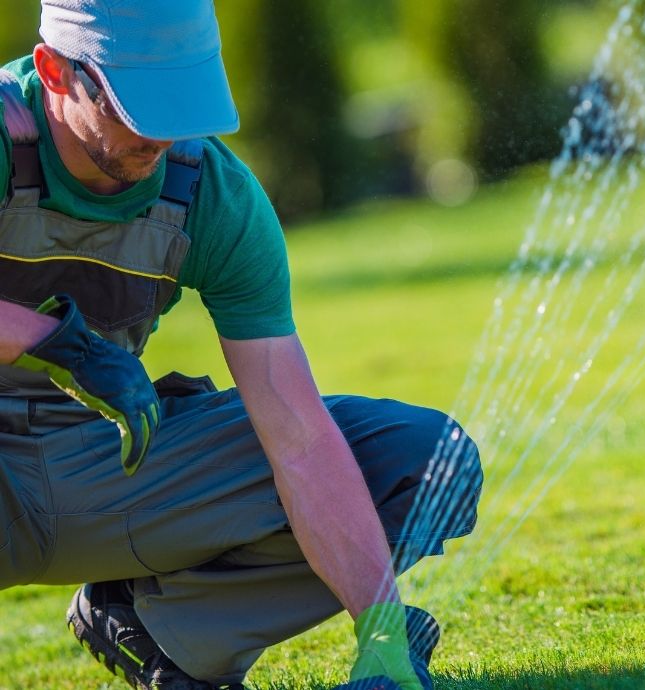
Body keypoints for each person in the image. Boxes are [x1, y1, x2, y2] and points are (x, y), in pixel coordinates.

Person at [0, 2, 482, 689]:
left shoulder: (212, 195)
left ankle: (158, 632)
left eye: (179, 105)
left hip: (107, 461)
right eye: (138, 107)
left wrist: (380, 627)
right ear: (54, 71)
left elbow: (297, 435)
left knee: (425, 464)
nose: (161, 136)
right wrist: (52, 342)